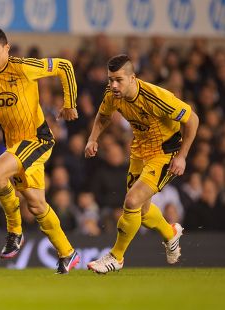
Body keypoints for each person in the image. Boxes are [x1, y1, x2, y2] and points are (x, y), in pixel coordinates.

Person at [0, 27, 80, 274]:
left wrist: (70, 103)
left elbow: (65, 66)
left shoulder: (23, 67)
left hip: (37, 139)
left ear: (7, 48)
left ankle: (14, 231)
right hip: (15, 146)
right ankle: (67, 252)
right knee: (36, 205)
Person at [84, 54, 199, 274]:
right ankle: (170, 234)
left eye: (118, 80)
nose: (113, 85)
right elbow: (103, 115)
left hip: (165, 153)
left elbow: (192, 119)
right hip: (139, 151)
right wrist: (92, 138)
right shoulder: (112, 95)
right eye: (110, 80)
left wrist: (182, 156)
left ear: (133, 78)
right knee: (143, 212)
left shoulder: (157, 97)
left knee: (132, 200)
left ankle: (116, 257)